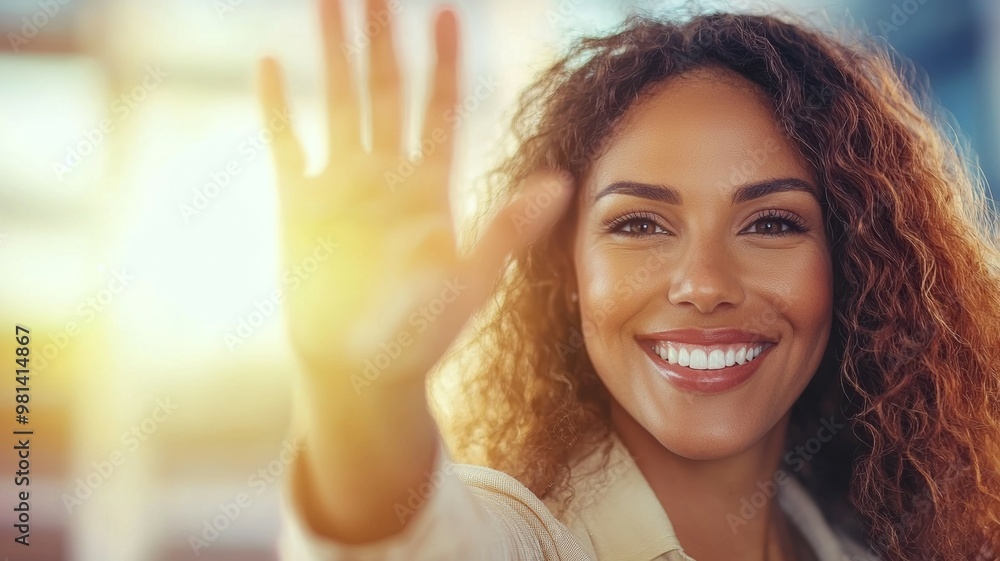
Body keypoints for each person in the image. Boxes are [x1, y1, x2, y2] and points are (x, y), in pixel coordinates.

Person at [256, 0, 1000, 559]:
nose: (703, 284)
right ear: (570, 273)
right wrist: (360, 396)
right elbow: (397, 529)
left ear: (850, 267)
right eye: (639, 224)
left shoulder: (863, 540)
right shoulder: (527, 540)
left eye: (772, 223)